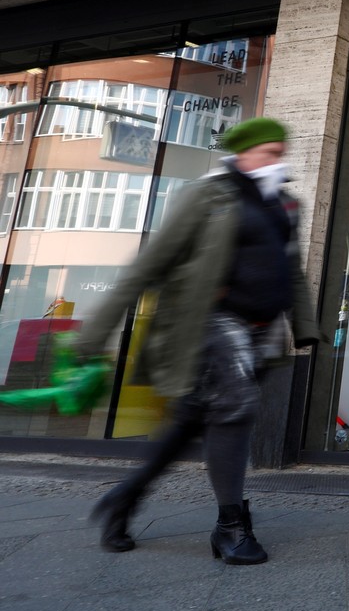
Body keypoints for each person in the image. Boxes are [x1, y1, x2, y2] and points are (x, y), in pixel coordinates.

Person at [79, 117, 319, 564]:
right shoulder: (208, 196)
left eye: (280, 152)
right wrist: (96, 331)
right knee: (235, 408)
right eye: (268, 152)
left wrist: (305, 326)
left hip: (262, 331)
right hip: (212, 322)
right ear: (243, 153)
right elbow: (149, 263)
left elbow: (292, 270)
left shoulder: (285, 205)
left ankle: (124, 498)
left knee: (194, 419)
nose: (276, 161)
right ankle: (230, 526)